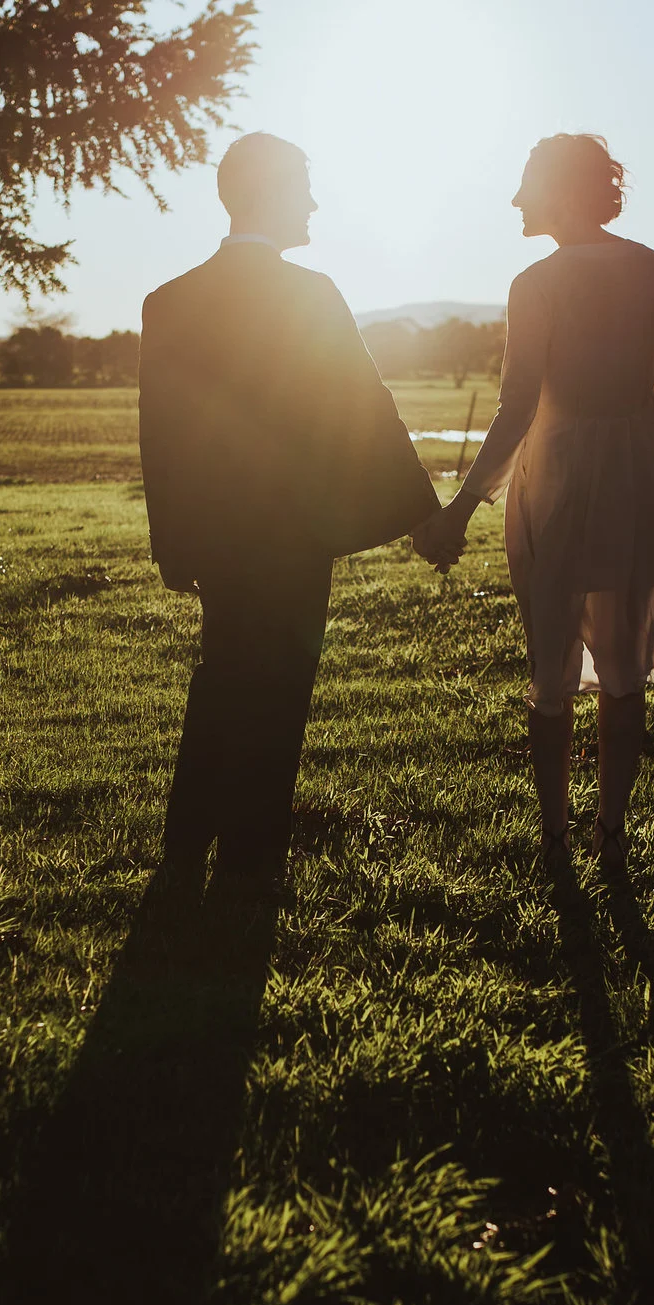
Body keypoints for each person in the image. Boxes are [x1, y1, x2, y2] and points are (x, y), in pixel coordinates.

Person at [140, 133, 441, 887]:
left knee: (223, 675)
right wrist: (421, 515)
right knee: (278, 688)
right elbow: (364, 409)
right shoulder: (311, 295)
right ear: (272, 193)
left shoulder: (169, 300)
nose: (313, 201)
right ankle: (250, 857)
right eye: (303, 185)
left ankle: (186, 845)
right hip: (295, 536)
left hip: (214, 536)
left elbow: (160, 437)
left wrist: (174, 546)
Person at [416, 134, 654, 865]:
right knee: (622, 663)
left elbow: (518, 407)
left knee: (551, 664)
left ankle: (554, 837)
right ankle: (610, 832)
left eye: (526, 186)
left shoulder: (535, 283)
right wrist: (627, 411)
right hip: (636, 479)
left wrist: (462, 505)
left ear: (565, 192)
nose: (514, 200)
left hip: (558, 480)